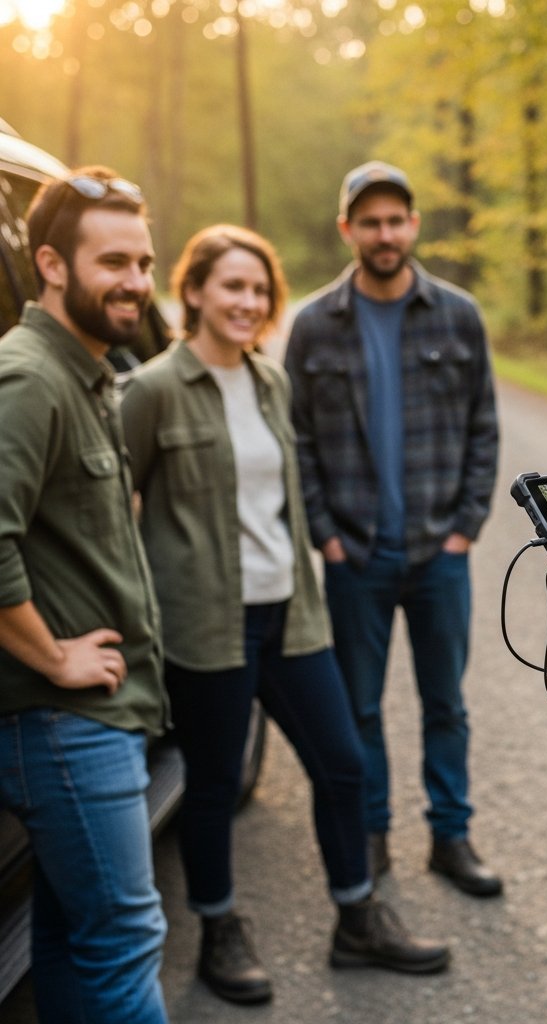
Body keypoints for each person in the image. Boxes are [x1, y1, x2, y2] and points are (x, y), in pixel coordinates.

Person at [120, 224, 451, 1006]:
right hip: (208, 626)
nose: (248, 302)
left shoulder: (270, 382)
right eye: (231, 286)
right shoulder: (155, 388)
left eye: (260, 289)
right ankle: (219, 928)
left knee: (343, 763)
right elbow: (115, 509)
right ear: (193, 291)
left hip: (289, 615)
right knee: (210, 786)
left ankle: (356, 918)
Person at [284, 161, 502, 897]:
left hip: (440, 555)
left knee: (447, 705)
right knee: (361, 709)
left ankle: (451, 836)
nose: (384, 233)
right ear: (347, 229)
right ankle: (370, 836)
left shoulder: (458, 315)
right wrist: (325, 535)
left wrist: (466, 528)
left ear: (413, 225)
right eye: (368, 221)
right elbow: (298, 441)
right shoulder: (313, 324)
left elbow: (483, 427)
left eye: (395, 219)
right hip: (355, 559)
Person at [0, 168, 169, 1022]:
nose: (136, 282)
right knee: (126, 939)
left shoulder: (93, 370)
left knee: (72, 932)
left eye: (143, 262)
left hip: (101, 714)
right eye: (114, 262)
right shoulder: (30, 377)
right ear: (52, 265)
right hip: (64, 726)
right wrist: (52, 654)